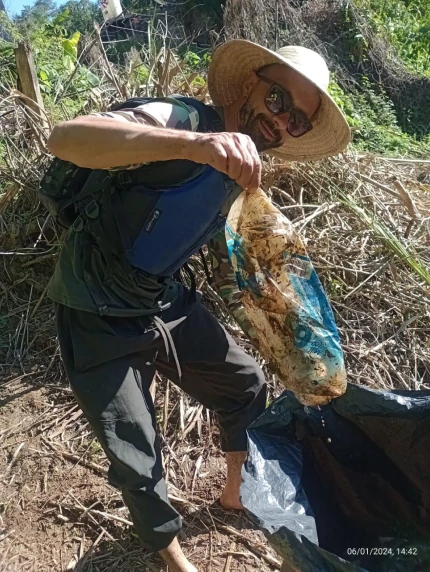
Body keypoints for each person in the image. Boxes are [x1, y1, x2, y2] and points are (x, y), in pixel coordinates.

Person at [46, 39, 350, 572]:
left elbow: (220, 255)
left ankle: (234, 496)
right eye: (278, 99)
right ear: (252, 82)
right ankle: (172, 556)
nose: (281, 123)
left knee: (245, 383)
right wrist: (194, 144)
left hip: (160, 297)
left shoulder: (242, 172)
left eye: (297, 121)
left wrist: (277, 324)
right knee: (136, 450)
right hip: (95, 300)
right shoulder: (183, 119)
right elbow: (65, 138)